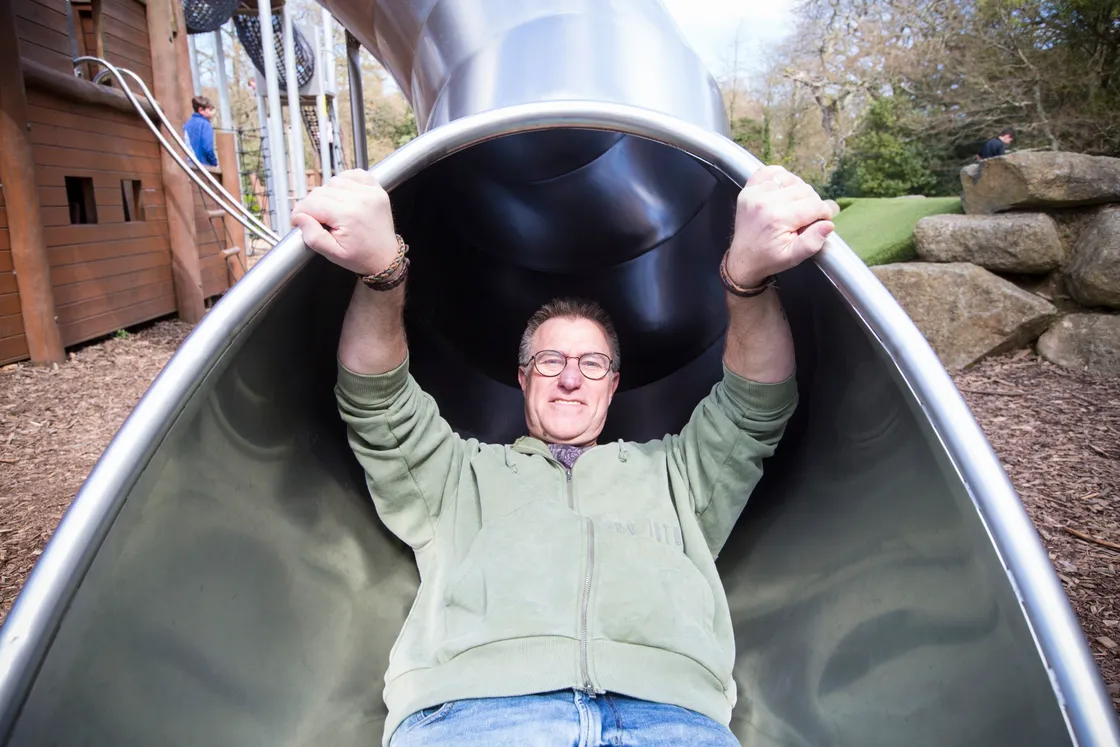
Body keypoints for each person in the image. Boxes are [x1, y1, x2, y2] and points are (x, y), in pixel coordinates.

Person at [291, 165, 837, 747]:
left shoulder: (678, 474)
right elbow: (377, 401)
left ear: (613, 384)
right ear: (523, 378)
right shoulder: (458, 476)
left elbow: (757, 404)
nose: (571, 379)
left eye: (591, 364)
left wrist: (746, 279)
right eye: (551, 361)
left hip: (668, 716)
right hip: (479, 712)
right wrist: (383, 274)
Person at [184, 95, 218, 167]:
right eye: (210, 109)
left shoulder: (186, 124)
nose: (212, 113)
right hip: (203, 166)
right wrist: (214, 163)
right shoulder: (206, 124)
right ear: (201, 110)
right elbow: (208, 149)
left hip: (190, 165)